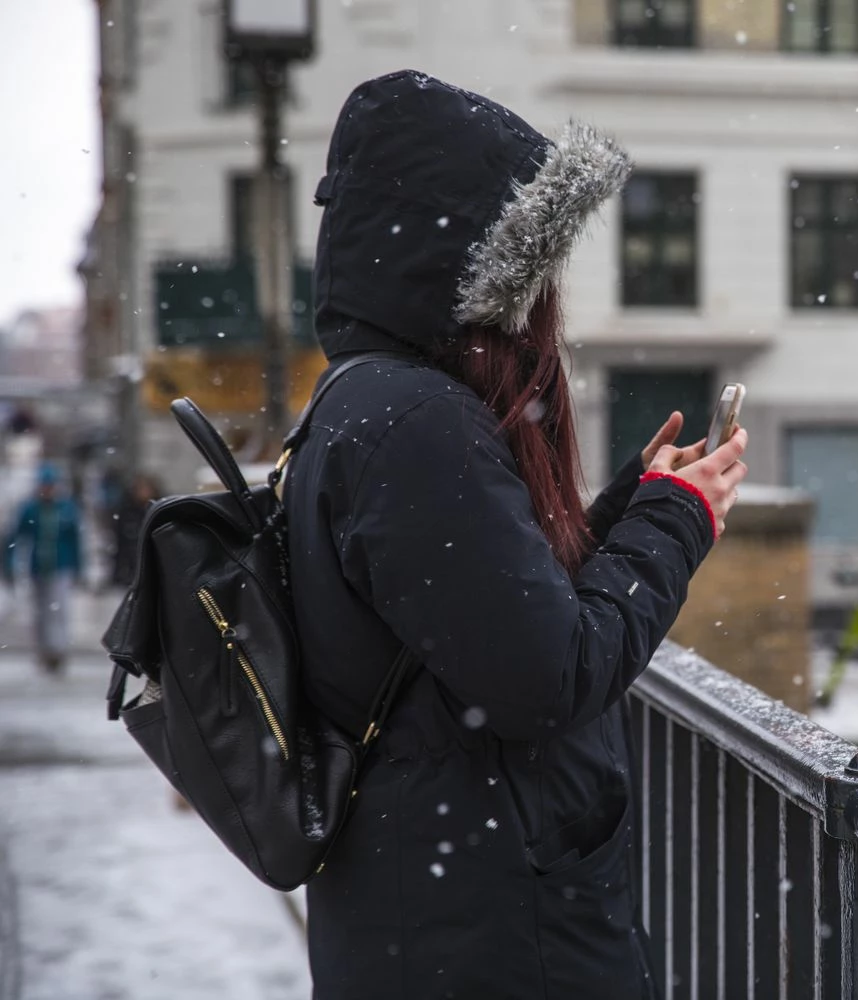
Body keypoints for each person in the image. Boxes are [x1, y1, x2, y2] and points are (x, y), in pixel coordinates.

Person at [281, 70, 747, 1000]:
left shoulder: (364, 402)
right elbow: (550, 674)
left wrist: (629, 508)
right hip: (491, 931)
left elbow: (482, 607)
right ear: (468, 259)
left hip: (440, 905)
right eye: (530, 266)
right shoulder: (416, 422)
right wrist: (676, 524)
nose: (543, 300)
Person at [3, 462, 84, 673]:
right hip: (38, 567)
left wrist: (79, 568)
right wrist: (9, 565)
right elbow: (15, 536)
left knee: (59, 610)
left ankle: (59, 650)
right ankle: (44, 650)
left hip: (61, 566)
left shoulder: (66, 508)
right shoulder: (30, 508)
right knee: (40, 612)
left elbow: (76, 540)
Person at [109, 473, 161, 588]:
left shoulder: (158, 510)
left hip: (154, 564)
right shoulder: (126, 511)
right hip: (133, 565)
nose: (144, 493)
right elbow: (120, 541)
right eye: (141, 489)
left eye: (147, 489)